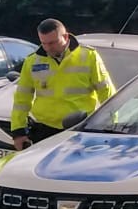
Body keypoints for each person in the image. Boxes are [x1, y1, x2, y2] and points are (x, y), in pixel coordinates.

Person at [10, 19, 116, 150]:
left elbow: (107, 93)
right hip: (45, 130)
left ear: (65, 37)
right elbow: (22, 99)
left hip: (79, 129)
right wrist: (18, 131)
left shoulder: (88, 56)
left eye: (52, 43)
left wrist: (112, 126)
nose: (48, 48)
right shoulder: (33, 61)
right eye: (44, 43)